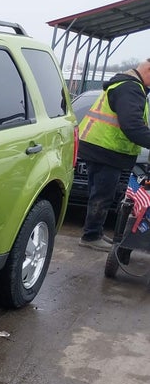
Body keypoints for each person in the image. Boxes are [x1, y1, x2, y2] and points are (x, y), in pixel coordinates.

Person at [76, 58, 150, 250]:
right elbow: (132, 126)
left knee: (98, 194)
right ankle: (91, 237)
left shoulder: (125, 85)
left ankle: (95, 232)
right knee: (102, 195)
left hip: (99, 147)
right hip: (106, 150)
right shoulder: (131, 89)